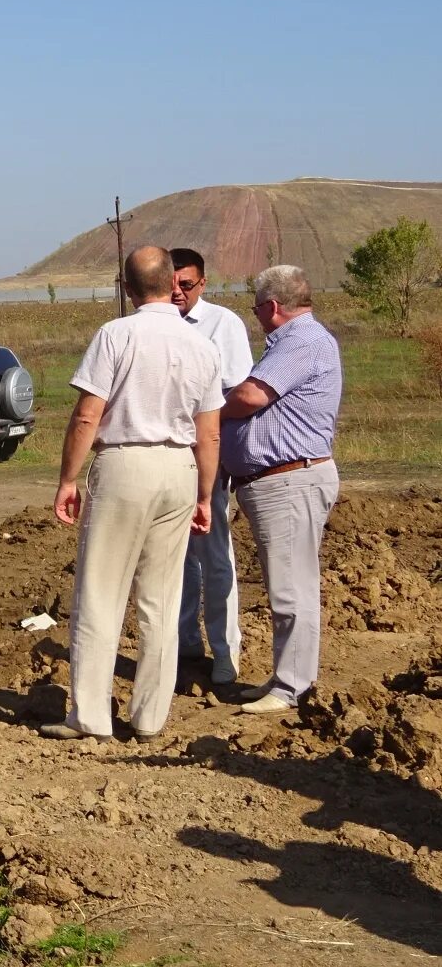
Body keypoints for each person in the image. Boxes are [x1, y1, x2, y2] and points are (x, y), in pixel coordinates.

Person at [41, 245, 223, 743]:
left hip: (125, 466)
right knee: (161, 600)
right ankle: (149, 718)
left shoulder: (115, 335)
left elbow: (86, 415)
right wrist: (205, 495)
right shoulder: (203, 347)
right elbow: (209, 434)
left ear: (126, 288)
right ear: (173, 284)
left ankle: (91, 717)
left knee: (101, 593)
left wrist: (67, 479)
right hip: (179, 469)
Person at [221, 265, 342, 715]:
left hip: (289, 480)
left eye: (256, 309)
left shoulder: (302, 341)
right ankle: (288, 677)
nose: (255, 317)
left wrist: (211, 409)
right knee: (289, 585)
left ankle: (292, 687)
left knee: (292, 589)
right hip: (281, 480)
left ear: (272, 307)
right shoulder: (302, 342)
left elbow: (252, 397)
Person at [170, 247, 254, 684]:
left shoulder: (223, 325)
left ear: (203, 283)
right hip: (164, 459)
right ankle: (185, 641)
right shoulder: (152, 324)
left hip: (205, 455)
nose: (178, 292)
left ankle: (225, 651)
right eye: (172, 284)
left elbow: (236, 392)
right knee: (175, 557)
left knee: (214, 555)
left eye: (187, 284)